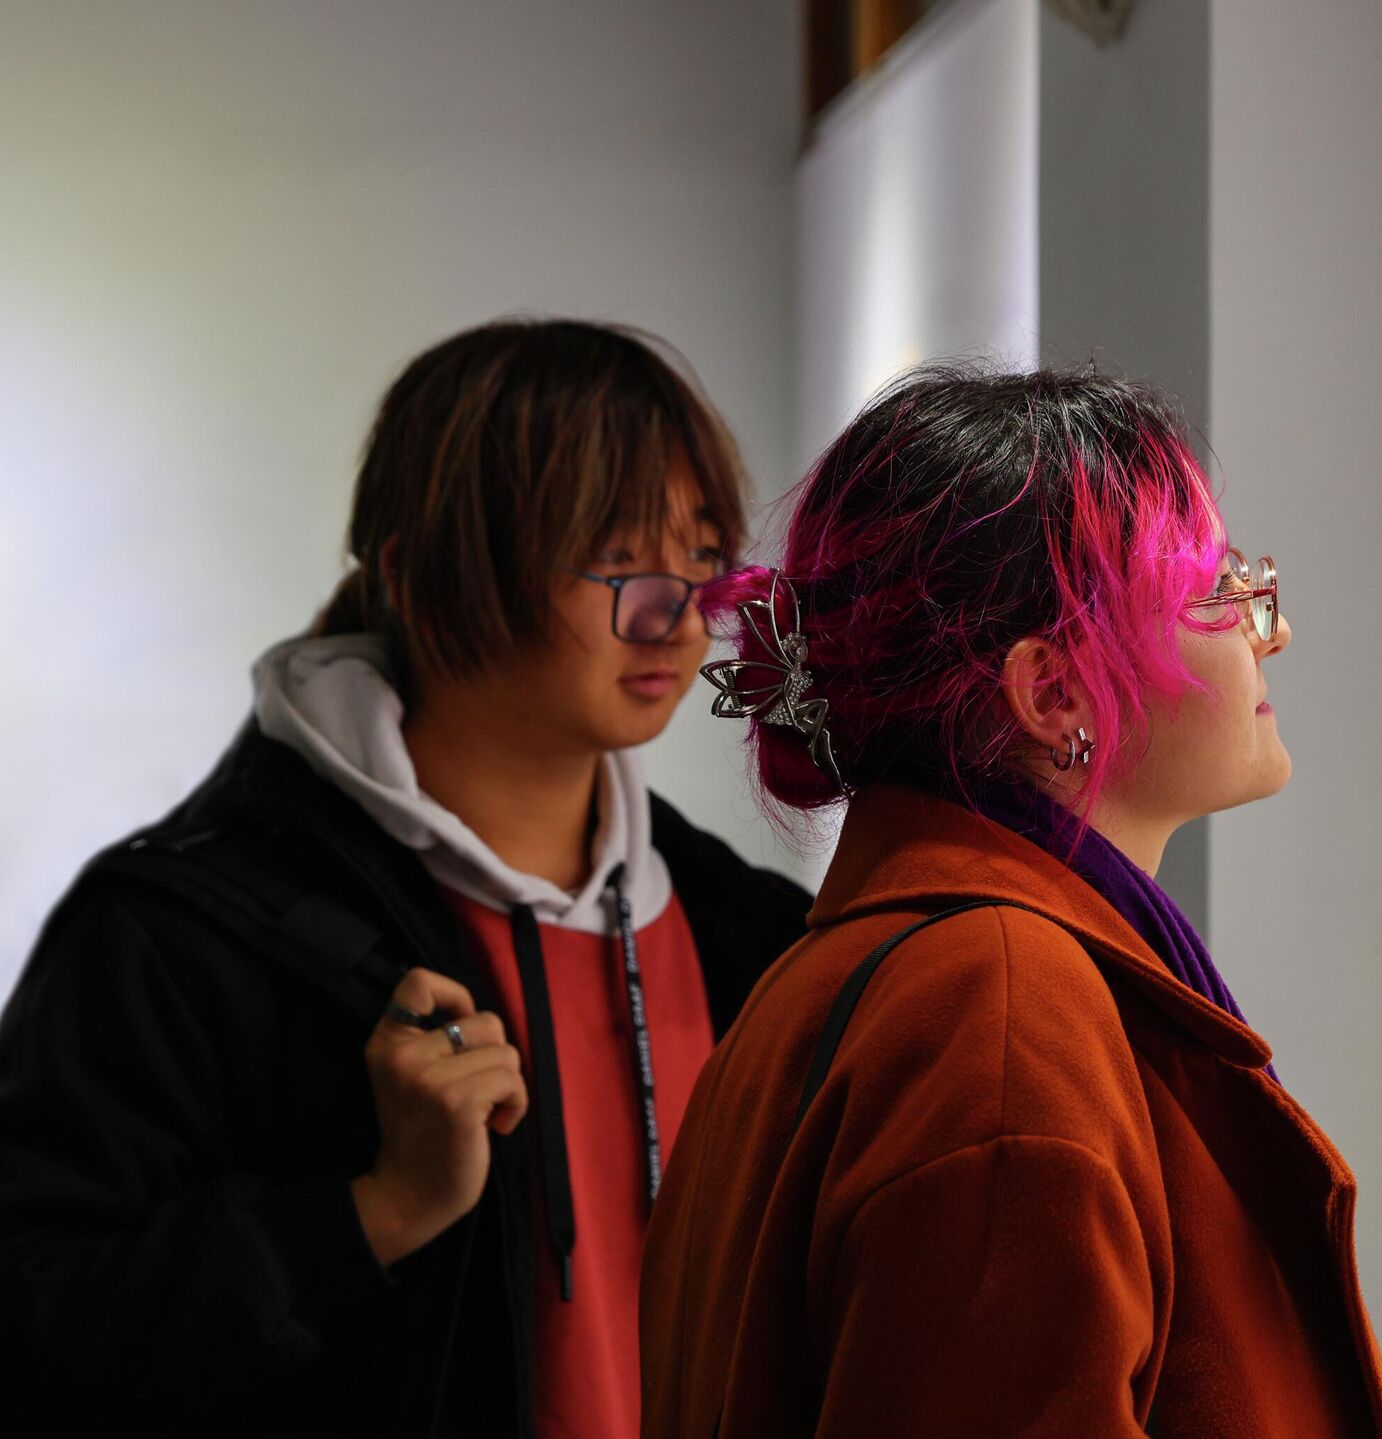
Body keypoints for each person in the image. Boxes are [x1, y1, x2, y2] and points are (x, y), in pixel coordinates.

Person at [0, 319, 810, 1437]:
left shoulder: (755, 935)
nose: (675, 612)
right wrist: (371, 1213)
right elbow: (33, 1333)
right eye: (618, 557)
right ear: (426, 576)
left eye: (705, 554)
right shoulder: (180, 935)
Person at [640, 366, 1382, 1438]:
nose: (1266, 629)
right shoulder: (1000, 1007)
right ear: (1052, 691)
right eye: (1209, 590)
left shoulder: (849, 973)